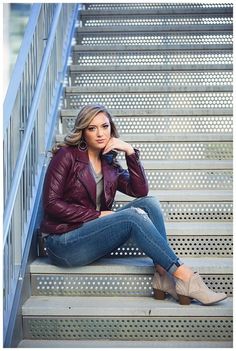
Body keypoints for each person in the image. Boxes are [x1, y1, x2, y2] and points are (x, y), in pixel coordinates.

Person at [40, 103, 227, 306]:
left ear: (111, 128)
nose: (100, 133)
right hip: (63, 242)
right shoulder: (67, 156)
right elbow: (51, 204)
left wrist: (129, 152)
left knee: (149, 203)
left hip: (90, 235)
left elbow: (139, 191)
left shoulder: (108, 163)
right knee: (132, 216)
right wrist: (96, 215)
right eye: (92, 128)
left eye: (104, 126)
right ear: (82, 131)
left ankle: (162, 276)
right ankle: (185, 277)